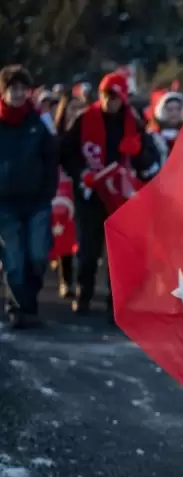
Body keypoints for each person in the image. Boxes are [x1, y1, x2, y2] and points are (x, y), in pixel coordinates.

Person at [59, 72, 159, 320]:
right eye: (105, 95)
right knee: (89, 250)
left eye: (113, 96)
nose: (108, 100)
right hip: (91, 194)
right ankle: (84, 293)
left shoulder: (135, 124)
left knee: (120, 253)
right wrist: (81, 173)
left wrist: (137, 153)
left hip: (122, 197)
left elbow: (150, 164)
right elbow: (65, 152)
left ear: (123, 98)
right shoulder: (84, 119)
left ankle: (116, 301)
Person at [0, 65, 58, 328]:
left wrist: (48, 192)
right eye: (13, 88)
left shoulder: (38, 123)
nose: (18, 93)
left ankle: (29, 303)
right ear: (3, 92)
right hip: (5, 203)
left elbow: (50, 159)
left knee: (36, 255)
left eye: (23, 88)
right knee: (13, 259)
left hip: (36, 202)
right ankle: (17, 308)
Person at [51, 89, 86, 299]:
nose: (77, 113)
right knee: (64, 231)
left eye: (81, 108)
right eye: (73, 108)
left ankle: (80, 281)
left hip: (85, 189)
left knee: (82, 236)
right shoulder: (56, 137)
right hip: (62, 189)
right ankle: (66, 279)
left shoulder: (90, 132)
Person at [148, 90, 183, 165]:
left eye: (178, 109)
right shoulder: (153, 136)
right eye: (170, 110)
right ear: (162, 111)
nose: (174, 113)